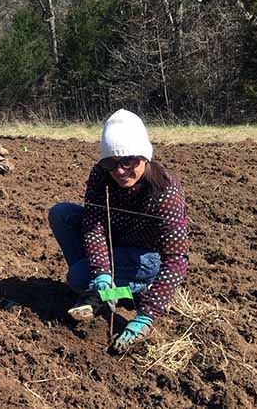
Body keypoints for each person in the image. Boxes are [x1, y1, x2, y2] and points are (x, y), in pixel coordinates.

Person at [48, 109, 189, 352]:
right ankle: (100, 290)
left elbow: (176, 259)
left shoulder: (166, 193)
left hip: (145, 258)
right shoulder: (101, 174)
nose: (120, 171)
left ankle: (126, 291)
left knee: (77, 277)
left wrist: (147, 315)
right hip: (115, 244)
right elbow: (93, 223)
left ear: (145, 157)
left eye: (129, 161)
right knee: (62, 214)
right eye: (111, 163)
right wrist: (101, 272)